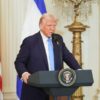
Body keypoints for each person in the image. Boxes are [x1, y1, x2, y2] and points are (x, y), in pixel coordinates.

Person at [14, 13, 81, 100]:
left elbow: (68, 56)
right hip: (35, 90)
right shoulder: (30, 41)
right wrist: (24, 73)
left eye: (54, 26)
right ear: (41, 25)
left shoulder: (58, 39)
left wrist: (78, 69)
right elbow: (19, 62)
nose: (52, 28)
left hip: (57, 89)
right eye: (49, 25)